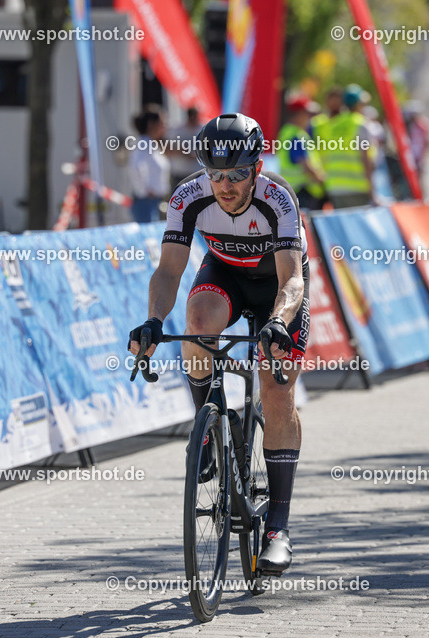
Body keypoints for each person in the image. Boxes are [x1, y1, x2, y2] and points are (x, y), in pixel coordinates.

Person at [128, 113, 309, 574]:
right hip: (225, 273)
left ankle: (278, 528)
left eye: (235, 175)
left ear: (257, 169)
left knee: (275, 389)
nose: (224, 186)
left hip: (275, 287)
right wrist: (152, 320)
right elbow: (169, 271)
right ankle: (208, 429)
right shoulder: (188, 197)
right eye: (215, 175)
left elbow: (292, 279)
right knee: (196, 322)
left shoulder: (278, 199)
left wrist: (278, 322)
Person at [313, 85, 375, 208]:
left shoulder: (332, 125)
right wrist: (371, 190)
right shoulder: (360, 124)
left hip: (334, 187)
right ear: (358, 104)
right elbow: (366, 159)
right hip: (356, 188)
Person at [277, 97, 326, 211]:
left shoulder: (286, 131)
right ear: (299, 114)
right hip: (302, 192)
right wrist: (323, 181)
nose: (311, 118)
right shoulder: (297, 136)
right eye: (308, 114)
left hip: (291, 190)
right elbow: (306, 166)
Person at [129, 106, 170, 223]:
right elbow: (135, 167)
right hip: (145, 203)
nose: (165, 126)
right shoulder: (144, 143)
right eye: (162, 122)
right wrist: (144, 191)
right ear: (152, 124)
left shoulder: (151, 144)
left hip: (153, 202)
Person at [166, 107, 202, 189]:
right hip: (179, 173)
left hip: (197, 173)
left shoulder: (203, 129)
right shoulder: (178, 130)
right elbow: (166, 149)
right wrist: (182, 151)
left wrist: (197, 155)